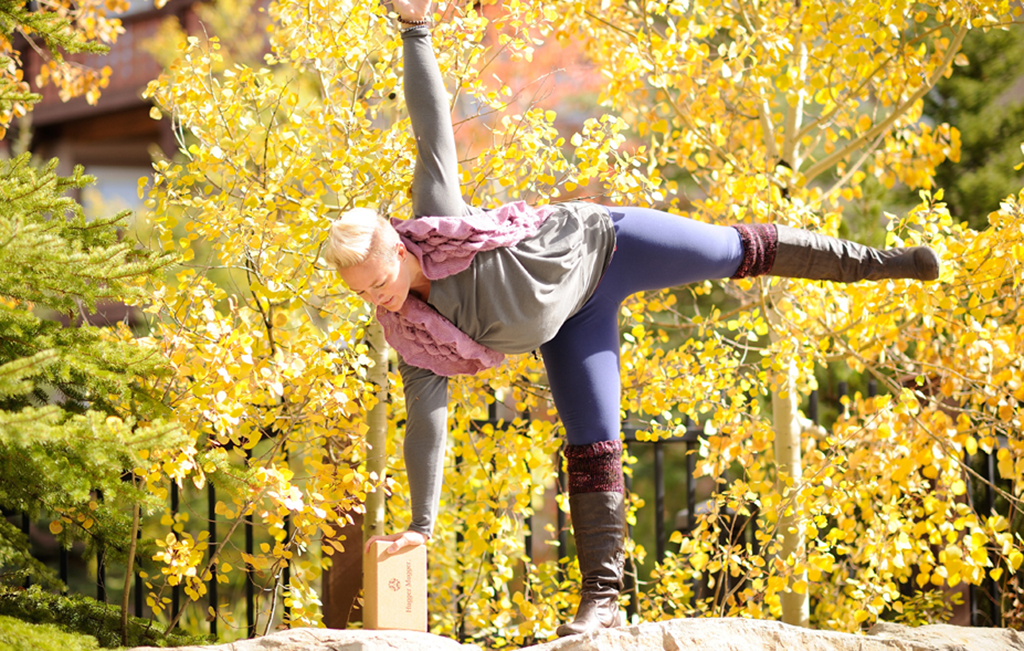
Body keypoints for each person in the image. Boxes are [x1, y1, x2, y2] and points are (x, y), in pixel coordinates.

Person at [328, 0, 941, 637]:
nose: (377, 299)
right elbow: (427, 428)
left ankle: (876, 261)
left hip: (608, 244)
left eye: (378, 282)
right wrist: (420, 529)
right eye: (361, 294)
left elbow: (432, 131)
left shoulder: (438, 223)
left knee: (734, 250)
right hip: (570, 327)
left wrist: (415, 28)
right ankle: (604, 598)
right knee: (593, 442)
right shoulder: (414, 338)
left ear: (399, 248)